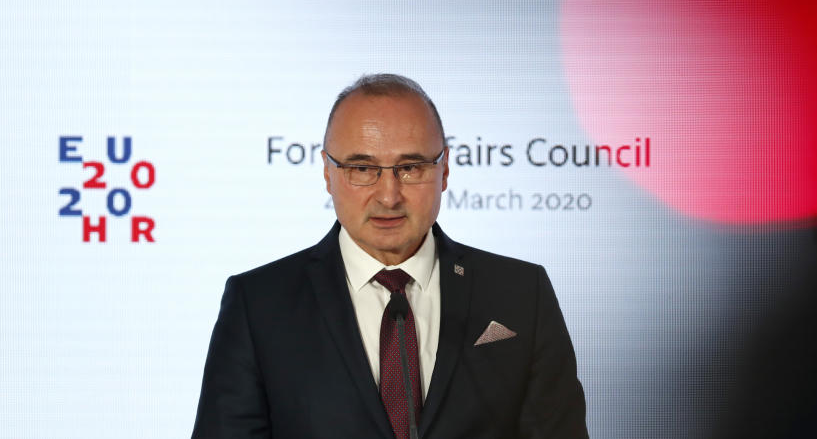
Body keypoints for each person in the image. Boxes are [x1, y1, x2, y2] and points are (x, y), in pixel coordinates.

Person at [191, 74, 588, 438]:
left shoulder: (520, 294)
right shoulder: (258, 304)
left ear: (445, 170)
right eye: (361, 168)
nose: (388, 196)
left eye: (411, 167)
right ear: (327, 174)